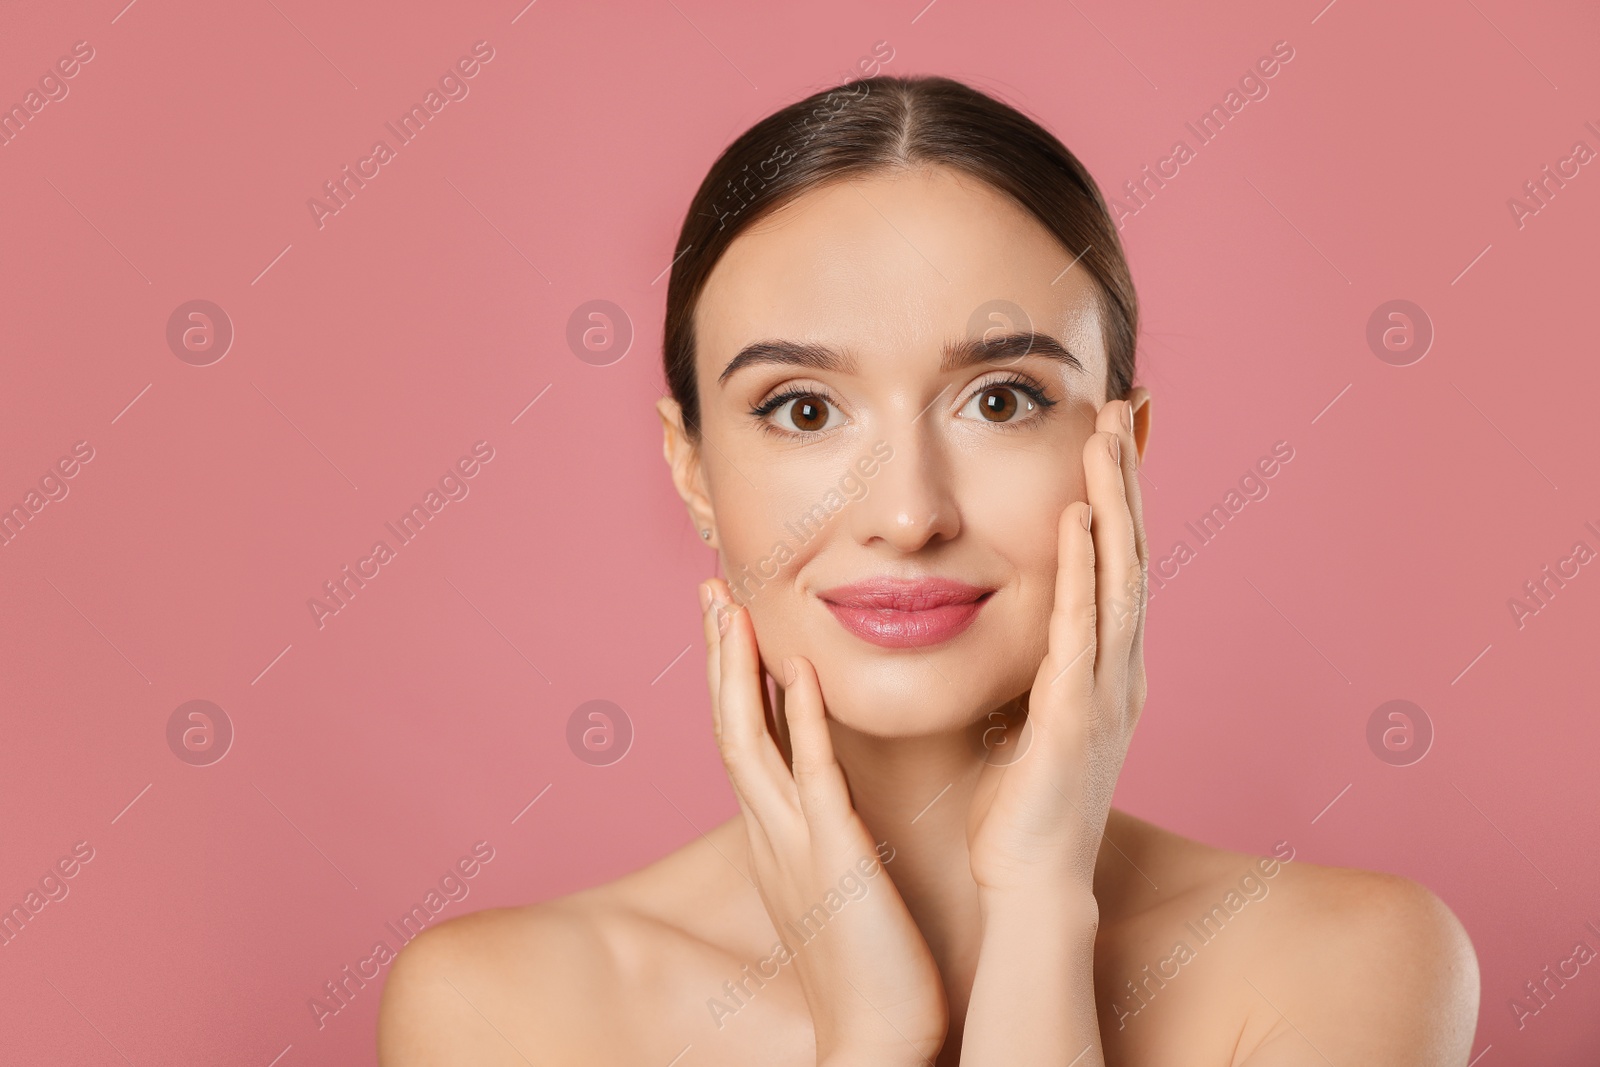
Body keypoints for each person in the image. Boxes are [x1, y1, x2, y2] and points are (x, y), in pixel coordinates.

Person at [377, 74, 1479, 1066]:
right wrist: (873, 1037)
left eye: (1000, 398)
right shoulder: (505, 1012)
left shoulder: (1350, 963)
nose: (908, 514)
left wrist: (1041, 915)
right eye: (802, 409)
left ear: (1122, 456)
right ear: (693, 467)